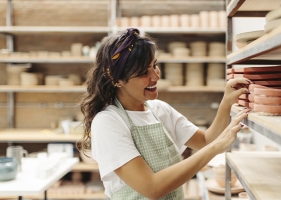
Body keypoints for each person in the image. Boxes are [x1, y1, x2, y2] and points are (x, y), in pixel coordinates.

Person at [79, 28, 251, 199]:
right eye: (143, 73)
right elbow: (152, 187)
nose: (155, 76)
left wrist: (226, 103)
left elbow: (205, 141)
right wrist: (216, 147)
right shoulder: (108, 122)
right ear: (117, 80)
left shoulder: (160, 110)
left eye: (154, 65)